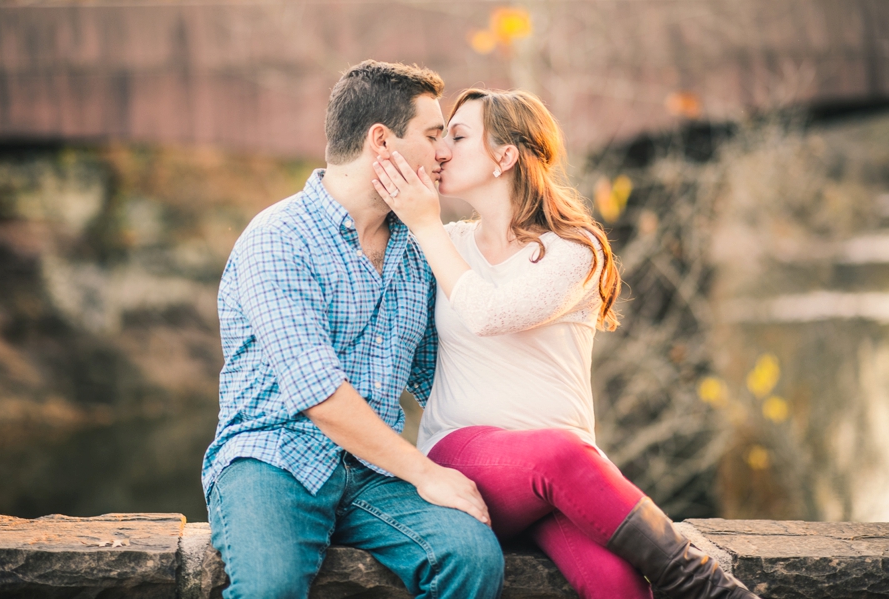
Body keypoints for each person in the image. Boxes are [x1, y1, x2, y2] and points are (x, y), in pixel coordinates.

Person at [372, 88, 762, 599]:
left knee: (620, 587)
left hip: (558, 482)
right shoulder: (446, 242)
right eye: (440, 136)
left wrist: (427, 228)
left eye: (458, 136)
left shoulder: (576, 250)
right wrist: (421, 220)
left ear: (505, 157)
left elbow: (496, 312)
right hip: (466, 459)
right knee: (561, 456)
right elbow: (469, 313)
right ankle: (705, 585)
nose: (441, 150)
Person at [201, 62, 505, 599]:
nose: (443, 153)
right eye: (433, 136)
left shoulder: (417, 247)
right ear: (381, 140)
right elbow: (317, 393)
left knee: (470, 556)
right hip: (272, 459)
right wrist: (425, 472)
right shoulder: (279, 238)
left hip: (372, 473)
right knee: (268, 588)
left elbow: (443, 374)